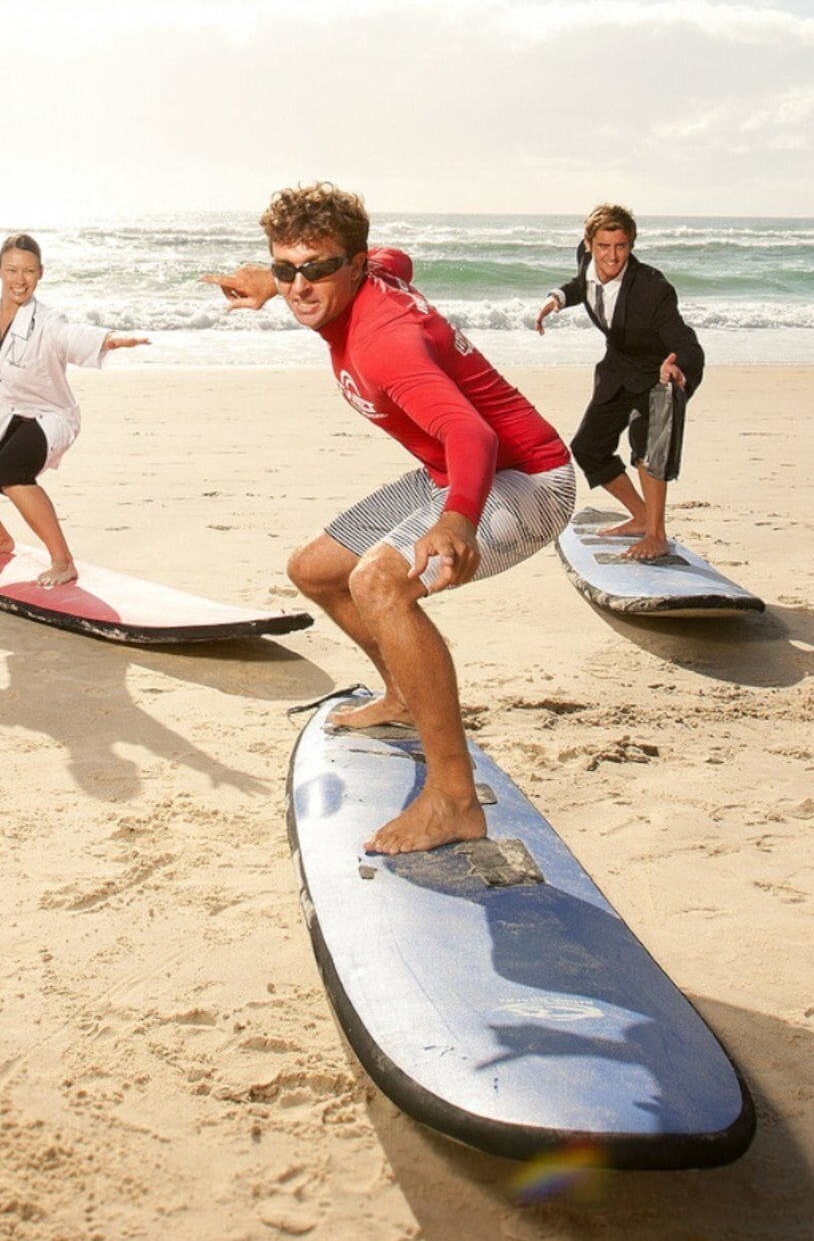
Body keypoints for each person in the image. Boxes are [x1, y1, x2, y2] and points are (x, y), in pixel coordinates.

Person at [213, 183, 579, 855]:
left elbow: (473, 434)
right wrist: (274, 281)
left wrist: (458, 521)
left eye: (318, 268)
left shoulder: (385, 343)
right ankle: (403, 695)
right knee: (317, 570)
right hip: (447, 471)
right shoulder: (371, 271)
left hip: (524, 478)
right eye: (287, 267)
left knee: (378, 584)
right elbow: (398, 257)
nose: (300, 286)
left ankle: (454, 800)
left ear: (352, 266)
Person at [0, 234, 148, 588]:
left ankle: (63, 561)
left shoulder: (46, 321)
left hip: (49, 416)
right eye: (12, 269)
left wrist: (107, 339)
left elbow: (70, 336)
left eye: (29, 271)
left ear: (41, 273)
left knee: (11, 472)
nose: (20, 278)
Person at [530, 203, 706, 563]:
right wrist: (558, 298)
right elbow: (584, 284)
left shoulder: (653, 289)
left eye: (622, 247)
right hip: (618, 366)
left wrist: (679, 370)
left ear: (631, 245)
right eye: (604, 247)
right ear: (589, 244)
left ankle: (656, 534)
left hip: (661, 372)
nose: (612, 257)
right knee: (588, 447)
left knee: (647, 449)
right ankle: (640, 515)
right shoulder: (586, 258)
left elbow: (688, 344)